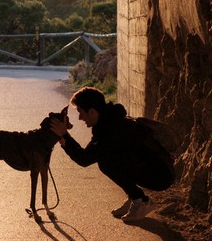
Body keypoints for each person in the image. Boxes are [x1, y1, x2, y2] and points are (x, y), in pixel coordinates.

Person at [49, 86, 175, 222]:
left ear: (92, 112)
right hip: (152, 167)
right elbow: (86, 154)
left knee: (106, 161)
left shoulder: (112, 130)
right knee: (106, 159)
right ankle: (134, 196)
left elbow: (84, 159)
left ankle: (142, 201)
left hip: (160, 175)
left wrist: (64, 135)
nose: (80, 118)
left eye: (80, 112)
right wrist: (64, 138)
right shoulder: (107, 122)